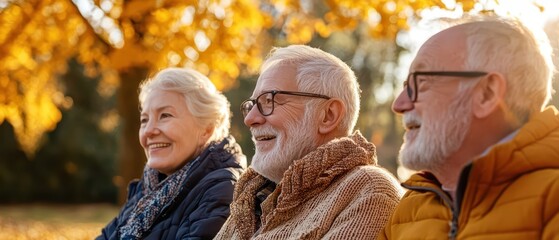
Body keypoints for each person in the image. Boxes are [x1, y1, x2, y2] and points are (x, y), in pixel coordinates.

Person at [379, 17, 559, 239]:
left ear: (486, 94)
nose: (399, 105)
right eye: (406, 86)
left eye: (422, 82)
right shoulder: (409, 209)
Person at [214, 45, 403, 240]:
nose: (250, 119)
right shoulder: (251, 200)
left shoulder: (367, 191)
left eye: (269, 100)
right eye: (252, 105)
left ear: (328, 116)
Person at [97, 68, 247, 239]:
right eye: (144, 120)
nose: (149, 131)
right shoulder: (147, 189)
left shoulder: (224, 189)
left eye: (165, 115)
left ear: (206, 129)